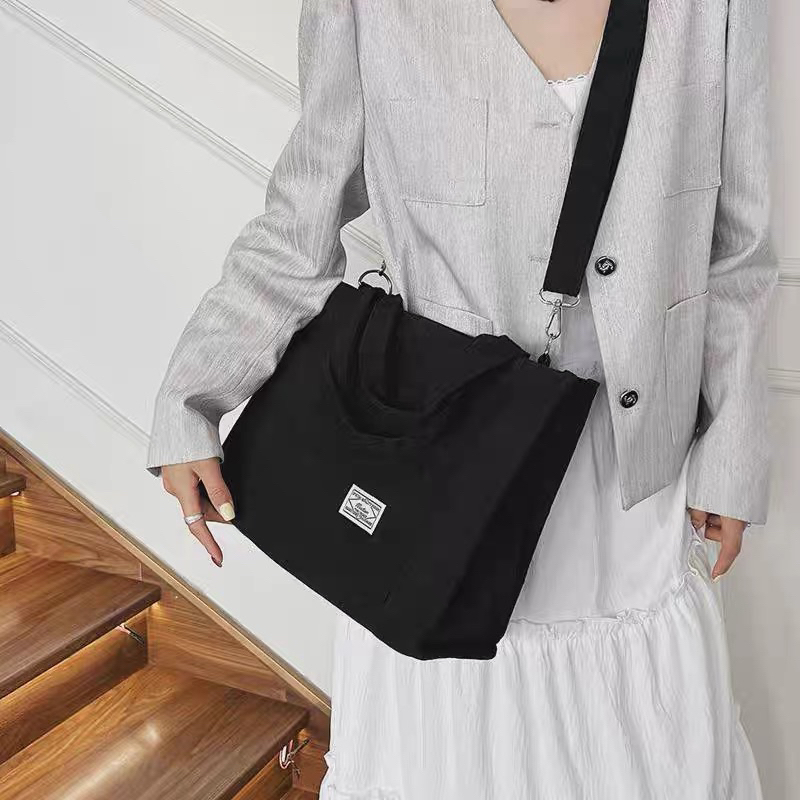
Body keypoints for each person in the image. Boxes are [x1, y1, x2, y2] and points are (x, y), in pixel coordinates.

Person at [145, 0, 777, 796]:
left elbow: (739, 249)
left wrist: (730, 453)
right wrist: (192, 396)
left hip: (628, 484)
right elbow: (299, 225)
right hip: (440, 485)